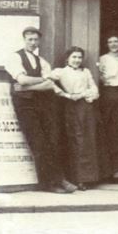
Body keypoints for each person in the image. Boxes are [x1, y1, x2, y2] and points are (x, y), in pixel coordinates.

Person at [4, 27, 76, 193]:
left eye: (36, 40)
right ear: (24, 40)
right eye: (30, 39)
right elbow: (21, 78)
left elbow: (49, 85)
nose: (33, 43)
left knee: (52, 140)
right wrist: (41, 81)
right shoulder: (15, 57)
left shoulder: (42, 61)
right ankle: (49, 184)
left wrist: (27, 86)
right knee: (39, 143)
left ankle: (60, 180)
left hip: (42, 104)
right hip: (25, 105)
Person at [50, 47, 100, 190]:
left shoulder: (86, 72)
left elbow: (95, 90)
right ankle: (78, 178)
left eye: (79, 57)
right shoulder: (61, 72)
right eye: (74, 57)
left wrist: (85, 94)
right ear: (67, 58)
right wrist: (65, 94)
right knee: (77, 140)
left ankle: (90, 178)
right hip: (71, 107)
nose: (77, 60)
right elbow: (47, 80)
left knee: (89, 139)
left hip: (87, 107)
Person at [97, 35, 118, 182]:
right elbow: (99, 77)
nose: (113, 44)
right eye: (110, 41)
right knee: (112, 131)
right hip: (108, 95)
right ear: (106, 44)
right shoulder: (102, 59)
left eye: (116, 41)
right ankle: (111, 173)